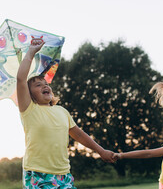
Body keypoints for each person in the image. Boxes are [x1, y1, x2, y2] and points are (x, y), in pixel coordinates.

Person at [17, 38, 115, 189]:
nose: (45, 86)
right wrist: (31, 52)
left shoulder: (62, 111)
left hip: (63, 174)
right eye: (38, 85)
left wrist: (101, 151)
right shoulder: (29, 110)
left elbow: (80, 135)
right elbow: (21, 79)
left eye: (46, 84)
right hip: (38, 173)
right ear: (29, 94)